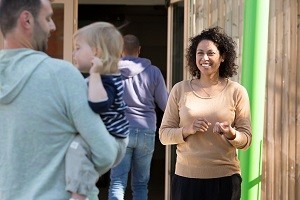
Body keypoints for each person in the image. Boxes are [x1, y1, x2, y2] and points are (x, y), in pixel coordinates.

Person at [0, 1, 124, 199]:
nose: (53, 26)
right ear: (27, 20)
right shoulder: (62, 75)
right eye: (47, 18)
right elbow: (105, 152)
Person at [159, 26, 252, 200]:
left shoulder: (237, 92)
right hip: (186, 180)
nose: (204, 58)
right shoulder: (180, 89)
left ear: (223, 57)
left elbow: (246, 141)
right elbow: (164, 135)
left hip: (225, 179)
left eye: (210, 53)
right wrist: (187, 130)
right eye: (199, 53)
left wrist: (231, 133)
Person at [66, 21, 129, 200]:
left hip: (113, 140)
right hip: (108, 138)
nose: (73, 53)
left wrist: (94, 74)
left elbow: (99, 105)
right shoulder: (102, 78)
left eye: (77, 48)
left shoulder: (107, 79)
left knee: (78, 149)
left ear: (96, 52)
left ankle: (79, 194)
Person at [108, 34, 169, 200]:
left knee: (117, 182)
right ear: (139, 50)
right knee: (141, 184)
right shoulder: (154, 72)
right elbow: (165, 104)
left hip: (120, 131)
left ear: (120, 51)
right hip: (146, 131)